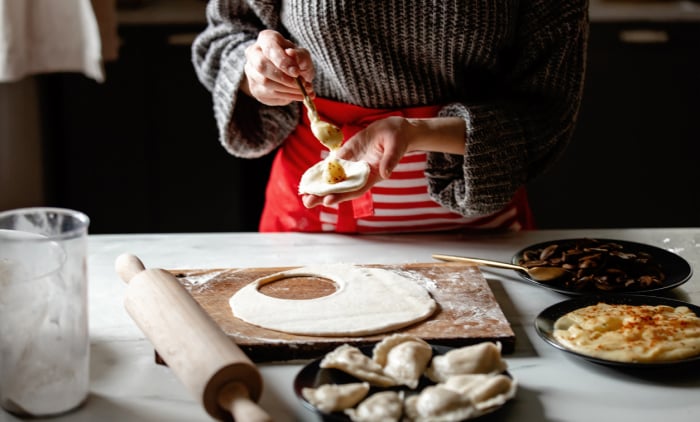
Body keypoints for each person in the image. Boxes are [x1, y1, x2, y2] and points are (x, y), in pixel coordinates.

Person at [192, 0, 589, 233]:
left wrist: (415, 132)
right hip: (314, 222)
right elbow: (226, 34)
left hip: (476, 230)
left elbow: (545, 106)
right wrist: (255, 71)